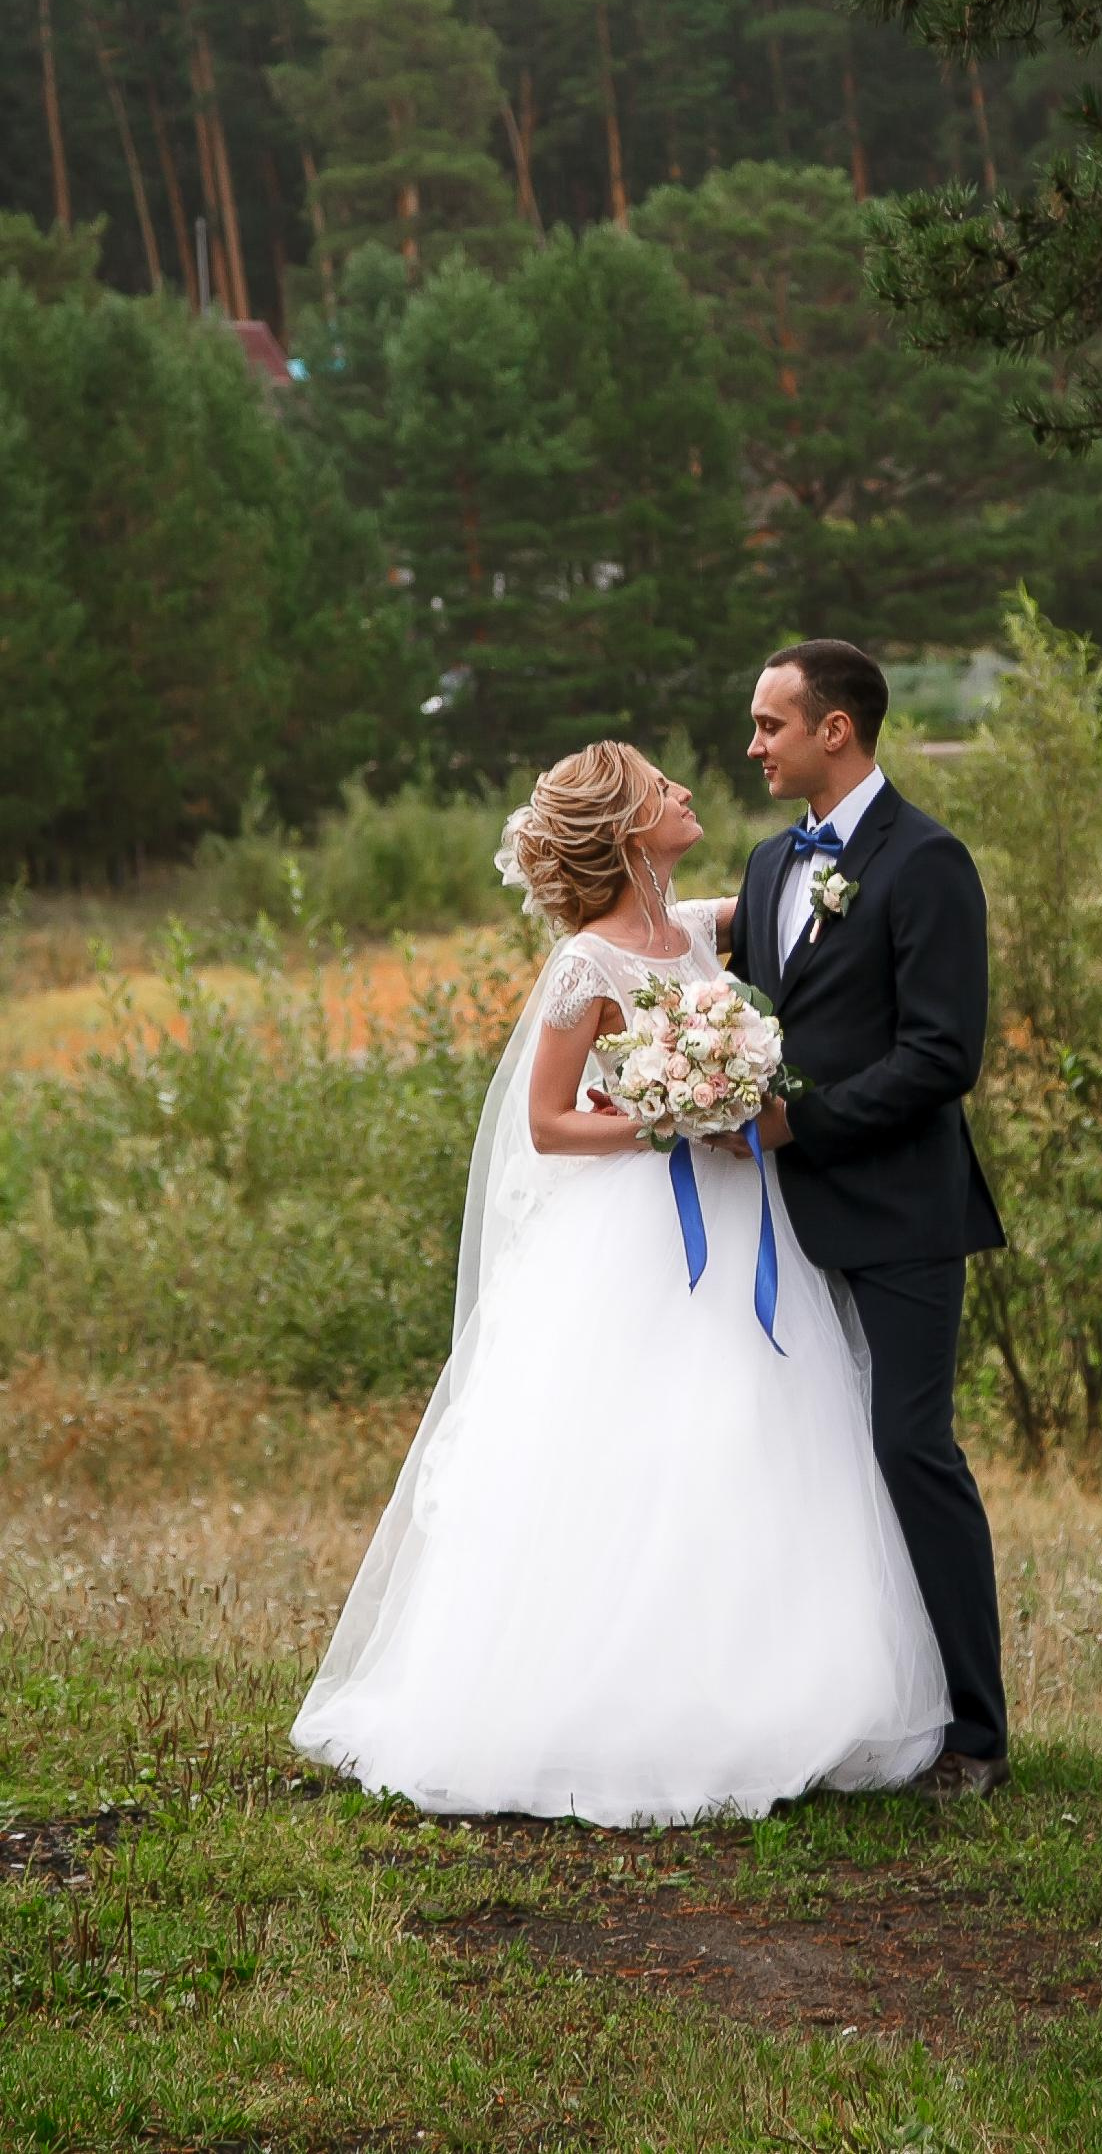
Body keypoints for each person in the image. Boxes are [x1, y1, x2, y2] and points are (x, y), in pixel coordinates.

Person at [290, 739, 947, 1824]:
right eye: (661, 789)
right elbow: (549, 1123)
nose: (685, 791)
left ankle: (764, 1694)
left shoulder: (695, 933)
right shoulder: (586, 965)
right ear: (632, 831)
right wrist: (672, 1114)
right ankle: (601, 1706)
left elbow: (818, 899)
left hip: (743, 1220)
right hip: (635, 1229)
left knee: (748, 1434)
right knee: (635, 1447)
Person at [727, 639, 1010, 1797]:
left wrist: (809, 1123)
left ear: (834, 729)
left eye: (770, 726)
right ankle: (834, 1711)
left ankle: (978, 1735)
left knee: (908, 1447)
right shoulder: (762, 865)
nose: (753, 747)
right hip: (781, 1224)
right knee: (798, 1458)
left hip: (899, 1211)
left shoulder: (928, 861)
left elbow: (946, 1056)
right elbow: (744, 989)